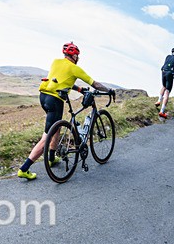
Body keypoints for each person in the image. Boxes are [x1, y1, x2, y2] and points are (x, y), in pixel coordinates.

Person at [17, 42, 112, 180]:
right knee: (47, 136)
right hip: (55, 101)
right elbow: (95, 84)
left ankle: (51, 158)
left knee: (56, 128)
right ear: (74, 56)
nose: (78, 58)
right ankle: (24, 169)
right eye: (77, 55)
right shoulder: (75, 68)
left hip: (43, 97)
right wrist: (109, 90)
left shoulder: (56, 62)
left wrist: (79, 89)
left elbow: (63, 80)